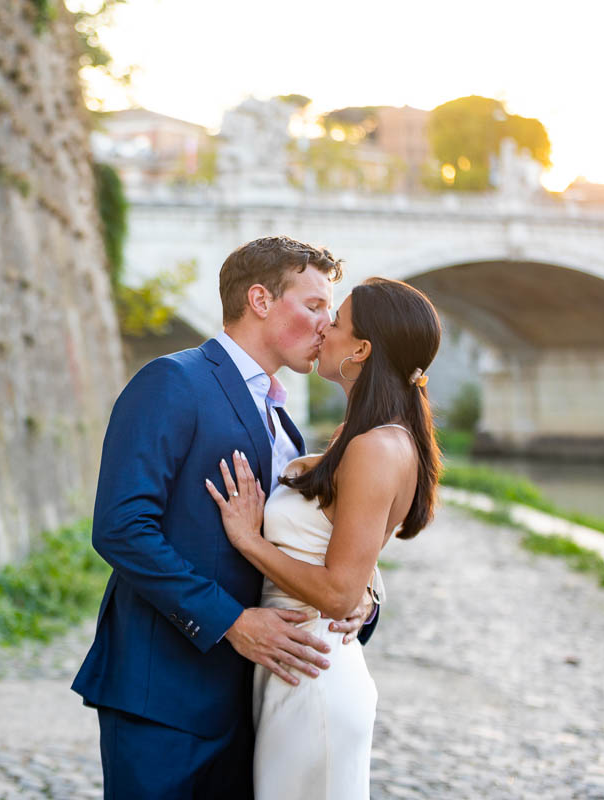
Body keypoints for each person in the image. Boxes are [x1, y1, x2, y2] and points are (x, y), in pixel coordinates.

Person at [71, 236, 377, 798]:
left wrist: (360, 602)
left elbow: (298, 546)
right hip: (163, 692)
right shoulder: (172, 381)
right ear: (259, 300)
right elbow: (121, 526)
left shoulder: (285, 422)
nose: (326, 325)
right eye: (313, 306)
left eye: (330, 312)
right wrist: (232, 622)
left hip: (254, 703)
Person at [205, 277, 442, 799]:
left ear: (360, 349)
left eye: (334, 320)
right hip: (296, 669)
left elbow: (338, 592)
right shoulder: (361, 437)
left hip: (315, 678)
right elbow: (347, 553)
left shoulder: (377, 446)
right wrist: (369, 585)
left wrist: (249, 539)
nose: (322, 326)